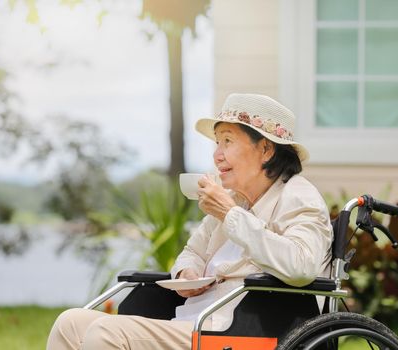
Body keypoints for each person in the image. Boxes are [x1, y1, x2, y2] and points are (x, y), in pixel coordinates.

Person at [46, 93, 333, 350]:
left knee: (107, 333)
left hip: (245, 331)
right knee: (69, 323)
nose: (217, 155)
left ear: (266, 150)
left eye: (228, 141)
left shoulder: (298, 196)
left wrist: (231, 215)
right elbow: (192, 252)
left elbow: (302, 266)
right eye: (217, 142)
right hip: (196, 317)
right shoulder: (235, 198)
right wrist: (187, 275)